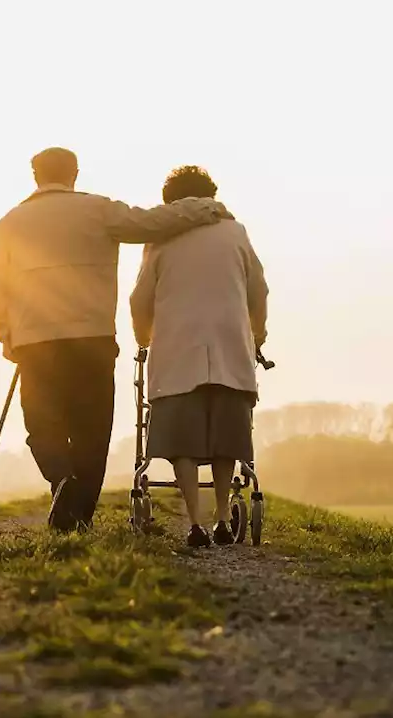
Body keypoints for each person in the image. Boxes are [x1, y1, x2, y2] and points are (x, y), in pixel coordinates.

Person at [0, 148, 232, 532]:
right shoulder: (98, 210)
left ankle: (60, 478)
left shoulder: (11, 223)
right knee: (92, 428)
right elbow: (155, 223)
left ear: (35, 175)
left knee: (41, 423)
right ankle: (78, 516)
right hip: (93, 337)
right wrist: (207, 209)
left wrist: (6, 335)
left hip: (35, 340)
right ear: (75, 174)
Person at [129, 165, 269, 547]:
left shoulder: (161, 238)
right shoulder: (235, 233)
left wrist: (144, 339)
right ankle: (224, 516)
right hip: (230, 347)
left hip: (177, 351)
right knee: (227, 439)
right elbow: (259, 289)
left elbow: (139, 299)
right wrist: (258, 334)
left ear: (169, 201)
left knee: (182, 442)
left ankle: (194, 523)